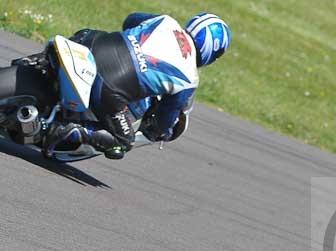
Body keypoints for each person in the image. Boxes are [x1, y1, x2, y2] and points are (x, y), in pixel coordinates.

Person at [44, 12, 231, 159]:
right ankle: (75, 131)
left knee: (84, 36)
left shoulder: (167, 21)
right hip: (108, 89)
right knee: (124, 141)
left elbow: (130, 20)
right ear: (213, 51)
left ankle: (41, 66)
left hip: (92, 43)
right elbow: (165, 120)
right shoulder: (190, 77)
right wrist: (161, 132)